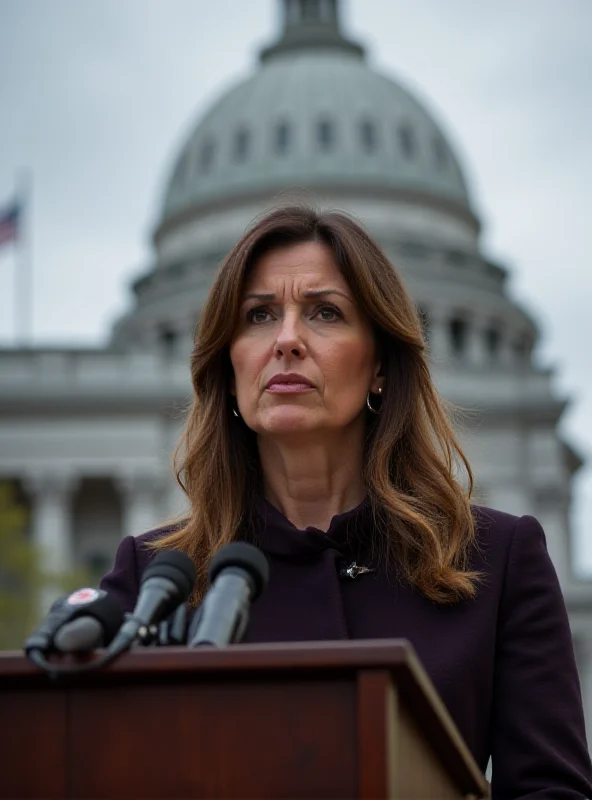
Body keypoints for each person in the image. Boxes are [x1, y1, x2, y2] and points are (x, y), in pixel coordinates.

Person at [101, 204, 592, 798]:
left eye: (324, 312)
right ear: (228, 369)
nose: (286, 340)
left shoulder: (496, 561)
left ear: (381, 362)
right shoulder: (155, 580)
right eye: (258, 315)